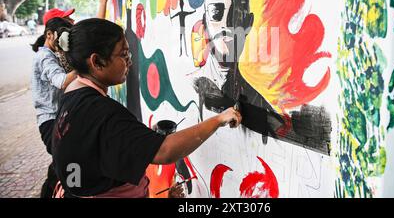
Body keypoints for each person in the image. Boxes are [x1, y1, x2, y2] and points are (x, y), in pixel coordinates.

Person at [51, 18, 242, 198]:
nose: (130, 61)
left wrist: (137, 139)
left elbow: (98, 148)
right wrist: (218, 120)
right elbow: (165, 151)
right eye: (124, 55)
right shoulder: (101, 111)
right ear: (96, 62)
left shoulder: (72, 92)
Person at [30, 17, 78, 198]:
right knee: (67, 159)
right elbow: (62, 81)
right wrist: (84, 66)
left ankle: (52, 191)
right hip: (50, 121)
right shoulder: (45, 57)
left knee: (64, 161)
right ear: (49, 34)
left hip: (56, 119)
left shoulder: (53, 55)